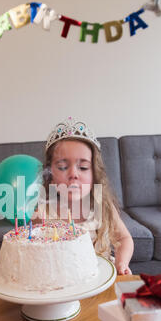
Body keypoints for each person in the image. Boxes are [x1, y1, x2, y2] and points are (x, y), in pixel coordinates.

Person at [36, 117, 134, 275]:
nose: (73, 174)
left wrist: (121, 263)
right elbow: (29, 250)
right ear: (50, 175)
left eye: (83, 167)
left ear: (95, 173)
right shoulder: (44, 212)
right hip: (61, 282)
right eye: (62, 167)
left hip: (100, 277)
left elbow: (124, 239)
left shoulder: (102, 206)